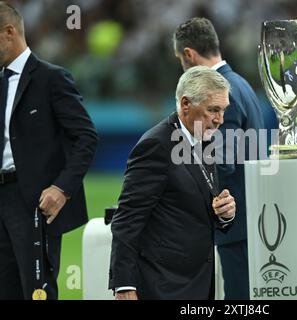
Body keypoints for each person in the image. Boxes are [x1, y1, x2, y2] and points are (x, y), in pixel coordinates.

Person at [109, 66, 236, 300]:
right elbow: (127, 219)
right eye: (213, 110)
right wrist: (124, 284)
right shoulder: (156, 145)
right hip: (163, 286)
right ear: (186, 104)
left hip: (198, 283)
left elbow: (193, 206)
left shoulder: (205, 140)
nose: (220, 120)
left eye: (223, 110)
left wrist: (224, 213)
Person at [0, 2, 98, 300]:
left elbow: (86, 137)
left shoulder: (51, 79)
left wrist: (62, 188)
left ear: (8, 32)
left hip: (32, 203)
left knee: (36, 292)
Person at [173, 17, 265, 300]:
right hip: (247, 218)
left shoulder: (223, 93)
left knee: (238, 298)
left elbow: (221, 160)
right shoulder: (241, 84)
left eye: (179, 59)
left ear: (189, 54)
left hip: (234, 222)